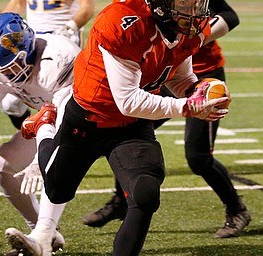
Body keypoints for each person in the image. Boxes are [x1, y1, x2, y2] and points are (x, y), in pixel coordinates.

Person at [19, 0, 230, 254]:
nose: (195, 12)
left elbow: (177, 76)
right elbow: (127, 100)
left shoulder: (184, 26)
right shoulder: (123, 22)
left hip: (131, 125)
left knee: (145, 194)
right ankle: (44, 125)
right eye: (186, 3)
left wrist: (198, 92)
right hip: (90, 117)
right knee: (57, 190)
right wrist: (186, 107)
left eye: (198, 3)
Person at [82, 0, 251, 239]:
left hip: (201, 77)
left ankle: (237, 209)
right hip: (161, 73)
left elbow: (229, 15)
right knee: (129, 132)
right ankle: (122, 200)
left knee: (198, 157)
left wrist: (195, 36)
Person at [0, 12, 81, 255]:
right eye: (1, 70)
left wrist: (40, 158)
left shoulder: (57, 58)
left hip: (88, 120)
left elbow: (70, 116)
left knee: (53, 166)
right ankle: (40, 236)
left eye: (12, 67)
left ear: (29, 50)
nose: (7, 76)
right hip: (50, 118)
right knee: (1, 164)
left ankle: (43, 236)